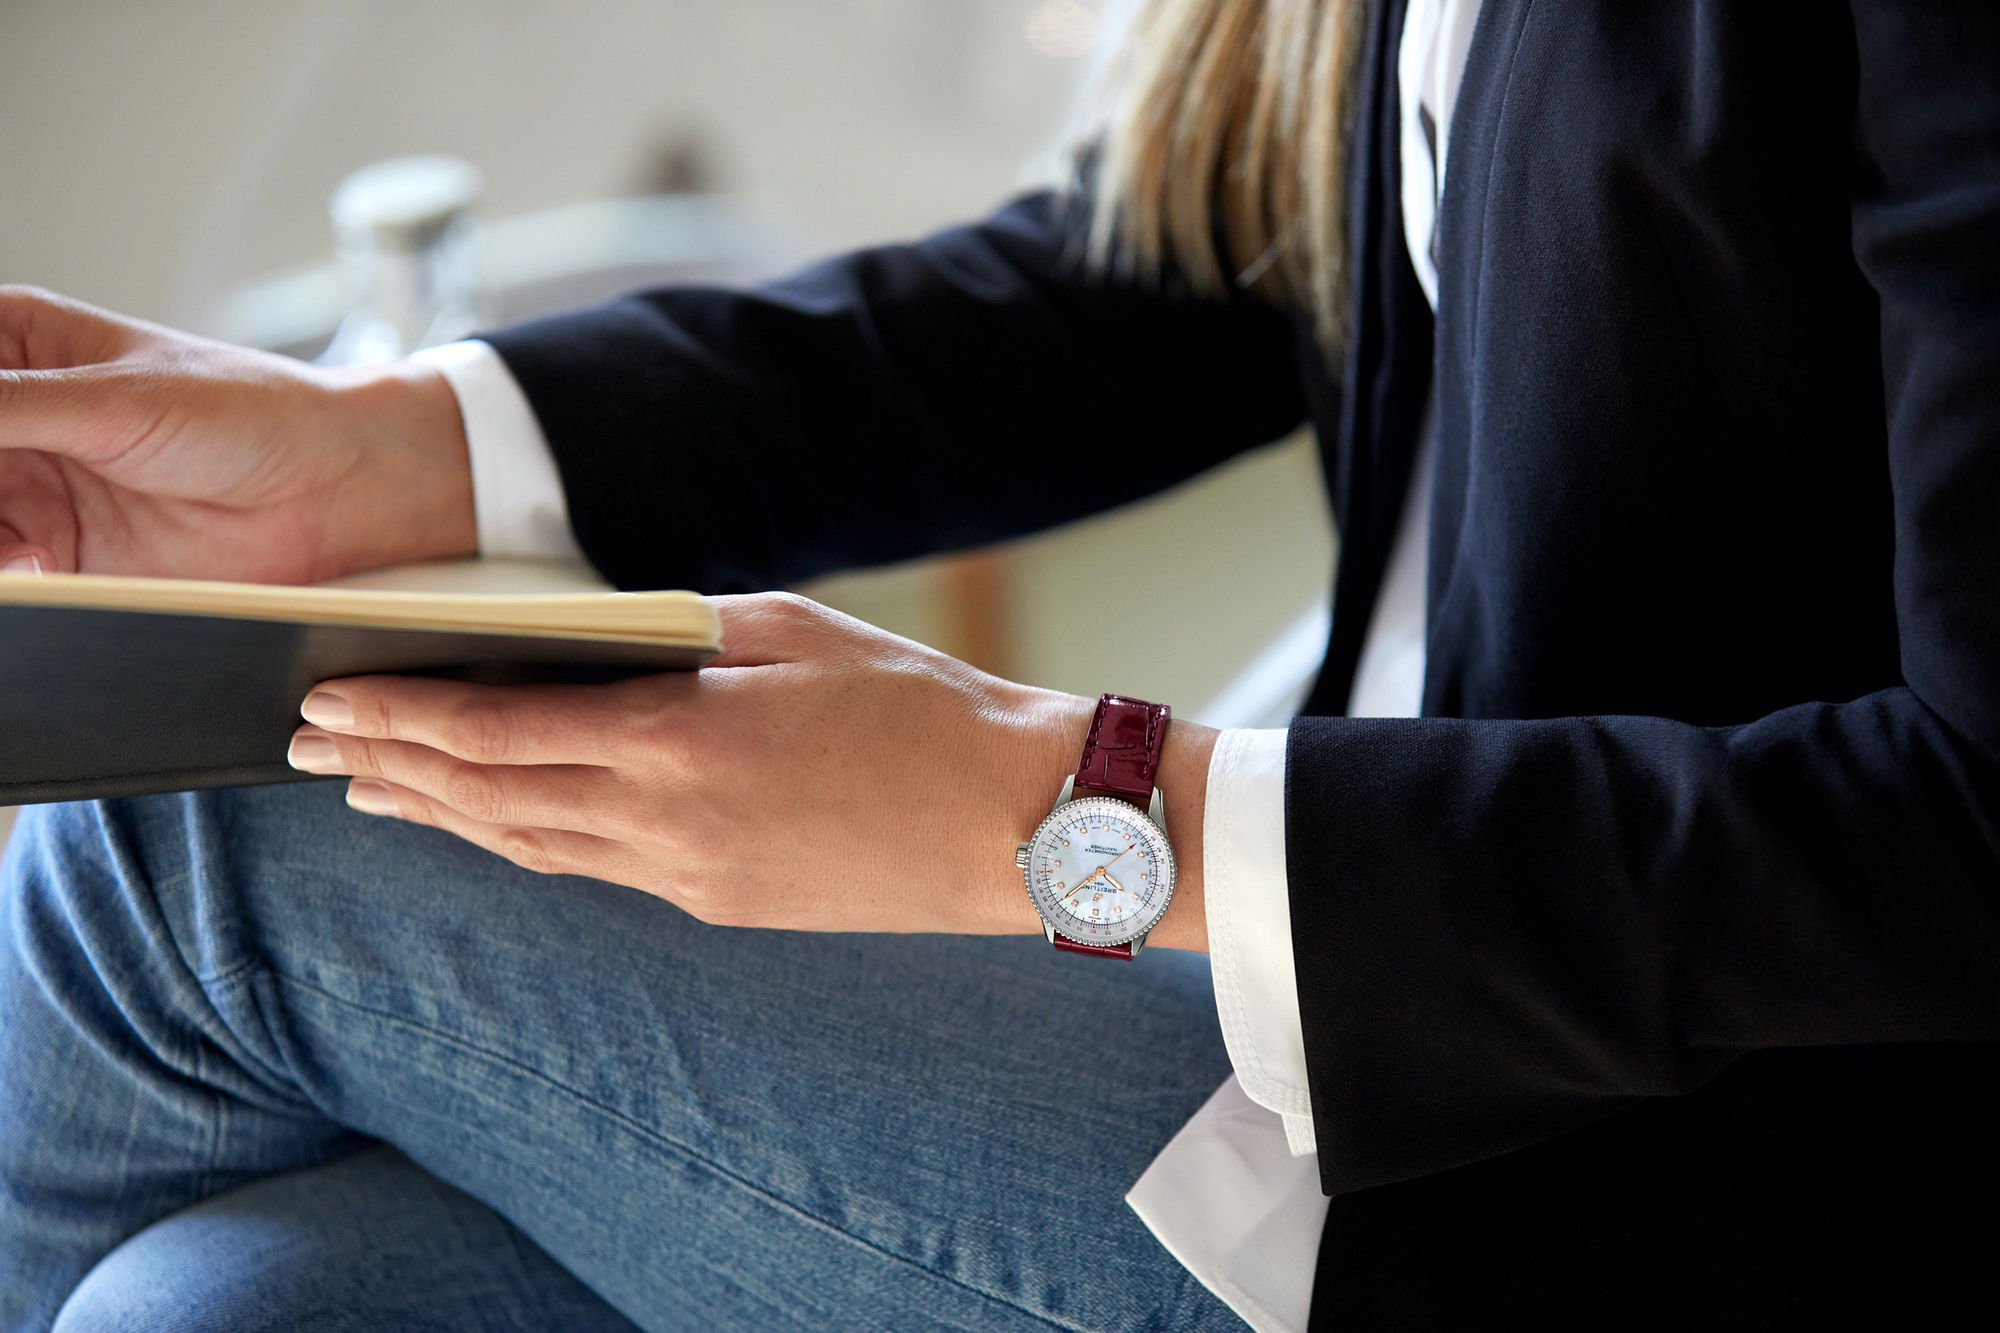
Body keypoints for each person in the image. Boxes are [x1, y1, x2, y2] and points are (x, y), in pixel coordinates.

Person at [3, 0, 1997, 1327]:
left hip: (1624, 1161)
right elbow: (1182, 260)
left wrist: (1066, 804)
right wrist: (392, 454)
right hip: (1360, 1018)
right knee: (216, 1308)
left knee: (185, 846)